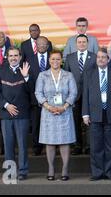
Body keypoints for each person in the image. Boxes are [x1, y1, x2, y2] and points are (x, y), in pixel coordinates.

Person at [82, 48, 111, 181]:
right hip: (95, 114)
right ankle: (97, 172)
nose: (100, 59)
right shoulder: (89, 73)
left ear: (108, 59)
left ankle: (110, 172)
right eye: (98, 57)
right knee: (96, 146)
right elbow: (85, 94)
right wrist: (85, 113)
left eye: (103, 57)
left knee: (110, 146)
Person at [35, 50, 77, 181]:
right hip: (48, 113)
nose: (55, 61)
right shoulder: (43, 75)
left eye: (58, 59)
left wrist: (64, 107)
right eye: (53, 59)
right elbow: (38, 93)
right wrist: (48, 106)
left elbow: (73, 93)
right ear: (49, 61)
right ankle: (51, 169)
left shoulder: (68, 75)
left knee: (64, 141)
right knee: (50, 142)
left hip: (65, 112)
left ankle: (65, 170)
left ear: (61, 60)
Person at [0, 47, 31, 180]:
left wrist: (26, 77)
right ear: (7, 57)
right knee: (8, 145)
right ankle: (10, 172)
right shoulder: (0, 72)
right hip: (6, 114)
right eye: (11, 56)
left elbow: (31, 91)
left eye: (16, 55)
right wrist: (6, 105)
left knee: (22, 145)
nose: (13, 58)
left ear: (20, 57)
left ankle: (22, 172)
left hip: (22, 114)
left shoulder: (26, 70)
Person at [64, 34, 96, 155]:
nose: (81, 44)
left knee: (89, 121)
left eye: (84, 42)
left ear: (87, 43)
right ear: (76, 44)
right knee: (75, 121)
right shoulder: (70, 57)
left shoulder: (94, 57)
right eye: (79, 42)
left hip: (90, 94)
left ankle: (88, 146)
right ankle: (77, 145)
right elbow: (66, 76)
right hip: (74, 95)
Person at [27, 36, 51, 155]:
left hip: (51, 99)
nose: (42, 46)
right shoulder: (29, 59)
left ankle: (51, 146)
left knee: (50, 124)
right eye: (39, 44)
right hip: (34, 98)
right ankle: (37, 147)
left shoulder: (53, 59)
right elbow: (27, 79)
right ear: (36, 45)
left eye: (44, 44)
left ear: (47, 46)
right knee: (36, 124)